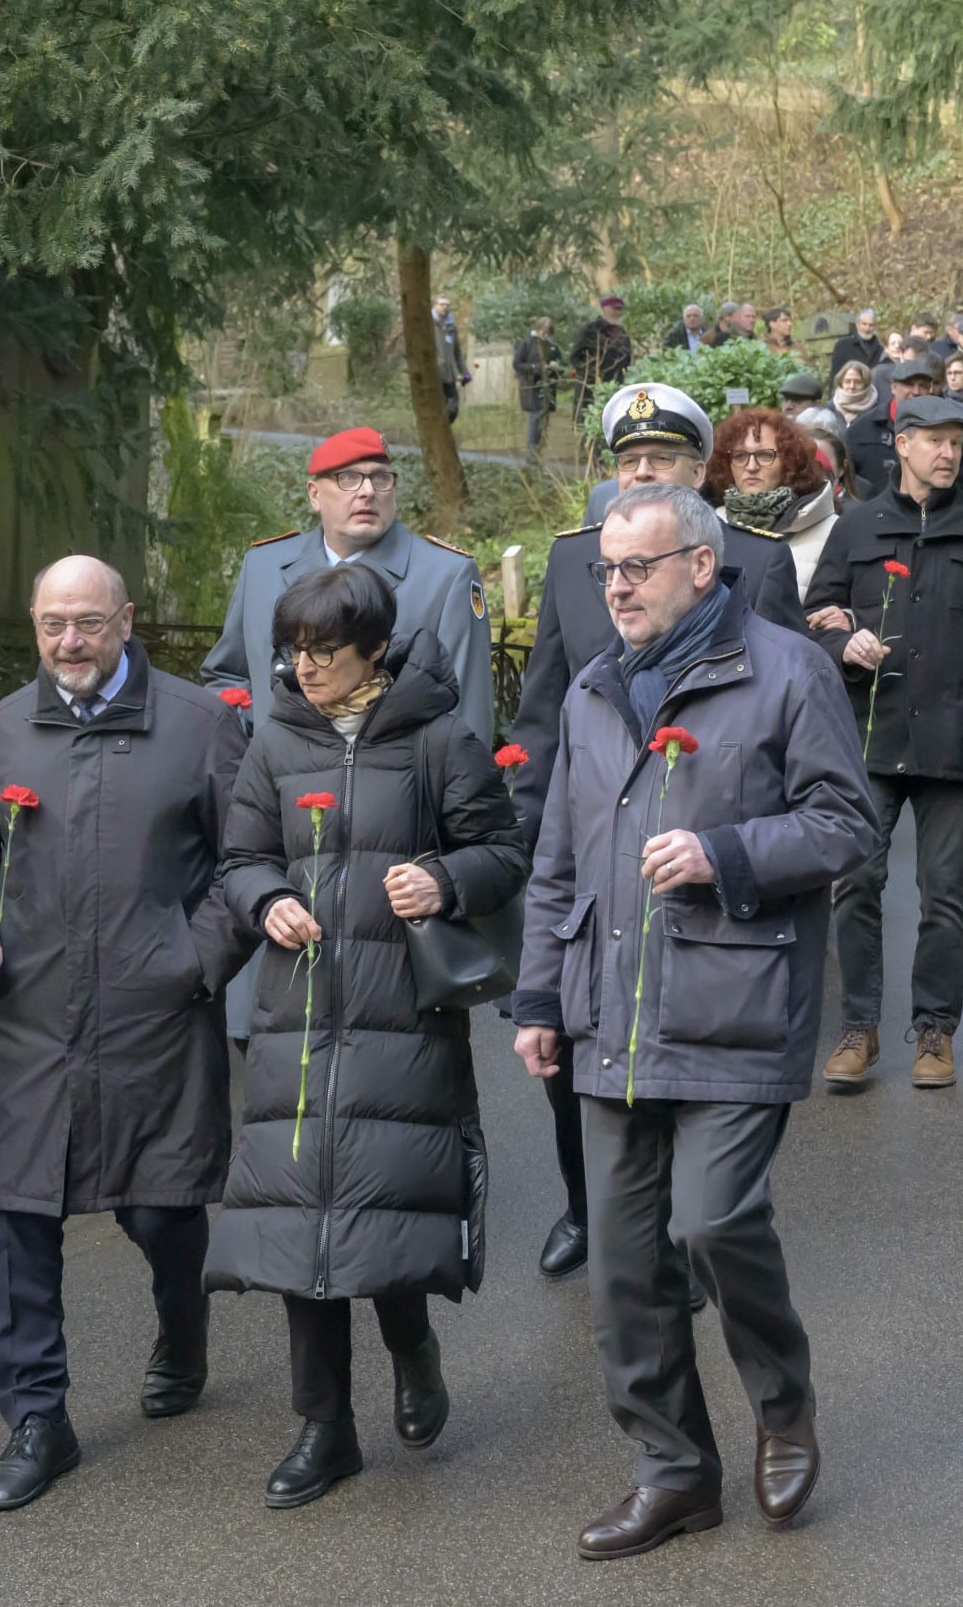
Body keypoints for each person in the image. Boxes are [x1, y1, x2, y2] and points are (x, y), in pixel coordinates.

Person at [511, 481, 876, 1561]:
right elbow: (557, 859)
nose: (617, 586)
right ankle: (674, 1472)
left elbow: (845, 826)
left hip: (734, 1005)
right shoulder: (590, 690)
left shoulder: (785, 671)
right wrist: (538, 996)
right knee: (624, 1272)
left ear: (702, 568)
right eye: (606, 570)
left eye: (640, 566)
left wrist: (724, 856)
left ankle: (779, 1399)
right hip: (606, 1014)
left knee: (710, 1222)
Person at [207, 566, 528, 1509]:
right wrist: (266, 900)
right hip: (297, 1015)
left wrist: (443, 879)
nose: (305, 668)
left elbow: (504, 851)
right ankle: (325, 1427)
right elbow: (239, 859)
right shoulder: (272, 741)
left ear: (375, 650)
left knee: (382, 1208)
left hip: (401, 1012)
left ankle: (412, 1347)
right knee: (299, 1215)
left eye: (326, 652)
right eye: (295, 650)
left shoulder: (438, 738)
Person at [0, 556, 249, 1513]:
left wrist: (191, 962)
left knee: (160, 1206)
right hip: (30, 1019)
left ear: (126, 620)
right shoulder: (0, 733)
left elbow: (247, 862)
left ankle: (182, 1326)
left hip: (155, 1017)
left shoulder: (200, 725)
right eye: (52, 624)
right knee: (16, 1211)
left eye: (89, 623)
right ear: (34, 623)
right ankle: (37, 1418)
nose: (69, 642)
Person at [505, 384, 809, 1279]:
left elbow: (784, 716)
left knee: (692, 1077)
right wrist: (530, 823)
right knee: (576, 1040)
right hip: (599, 847)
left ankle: (695, 1224)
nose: (641, 470)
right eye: (628, 458)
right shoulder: (573, 562)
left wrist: (742, 850)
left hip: (709, 866)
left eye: (664, 458)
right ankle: (589, 1210)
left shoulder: (753, 557)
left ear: (695, 473)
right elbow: (547, 711)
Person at [807, 397, 963, 1091]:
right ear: (901, 445)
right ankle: (858, 1026)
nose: (948, 454)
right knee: (855, 882)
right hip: (869, 740)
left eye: (956, 443)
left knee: (943, 894)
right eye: (934, 442)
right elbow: (815, 616)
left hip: (950, 739)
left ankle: (935, 1029)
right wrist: (843, 641)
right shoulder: (855, 527)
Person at [203, 426, 494, 748]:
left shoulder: (445, 576)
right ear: (314, 494)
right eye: (349, 478)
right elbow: (227, 678)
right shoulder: (263, 566)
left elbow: (467, 711)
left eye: (381, 478)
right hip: (273, 786)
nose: (368, 491)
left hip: (393, 788)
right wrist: (253, 749)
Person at [708, 407, 845, 595]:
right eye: (740, 456)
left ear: (790, 462)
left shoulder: (832, 530)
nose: (751, 466)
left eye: (765, 455)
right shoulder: (712, 525)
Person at [843, 357, 938, 491]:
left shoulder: (941, 428)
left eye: (923, 386)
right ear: (893, 387)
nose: (916, 391)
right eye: (909, 384)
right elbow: (849, 482)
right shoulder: (860, 430)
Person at [571, 296, 635, 429]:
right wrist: (591, 374)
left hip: (614, 384)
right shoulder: (590, 330)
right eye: (615, 309)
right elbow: (575, 357)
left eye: (620, 309)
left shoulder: (622, 333)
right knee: (587, 421)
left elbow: (627, 359)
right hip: (590, 384)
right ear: (604, 309)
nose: (618, 312)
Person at [515, 316, 560, 464]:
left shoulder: (551, 345)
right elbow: (517, 364)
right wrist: (537, 368)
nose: (545, 334)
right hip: (531, 386)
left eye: (548, 332)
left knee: (544, 420)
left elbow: (560, 362)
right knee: (534, 420)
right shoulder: (526, 343)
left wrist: (555, 366)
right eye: (543, 331)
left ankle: (539, 451)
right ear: (539, 328)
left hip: (547, 387)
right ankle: (531, 454)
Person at [431, 295, 471, 423]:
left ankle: (444, 430)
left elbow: (457, 353)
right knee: (437, 409)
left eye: (447, 305)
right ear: (435, 305)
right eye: (441, 304)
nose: (444, 307)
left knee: (453, 409)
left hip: (449, 374)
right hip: (434, 375)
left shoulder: (451, 326)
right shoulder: (428, 325)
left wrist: (465, 373)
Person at [829, 308, 885, 379]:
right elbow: (835, 375)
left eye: (871, 325)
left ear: (875, 327)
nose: (867, 328)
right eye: (864, 324)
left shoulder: (881, 350)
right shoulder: (843, 346)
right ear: (857, 325)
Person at [829, 358, 879, 435]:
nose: (852, 386)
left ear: (866, 383)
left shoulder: (877, 408)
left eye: (858, 382)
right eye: (847, 381)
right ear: (841, 382)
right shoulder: (830, 408)